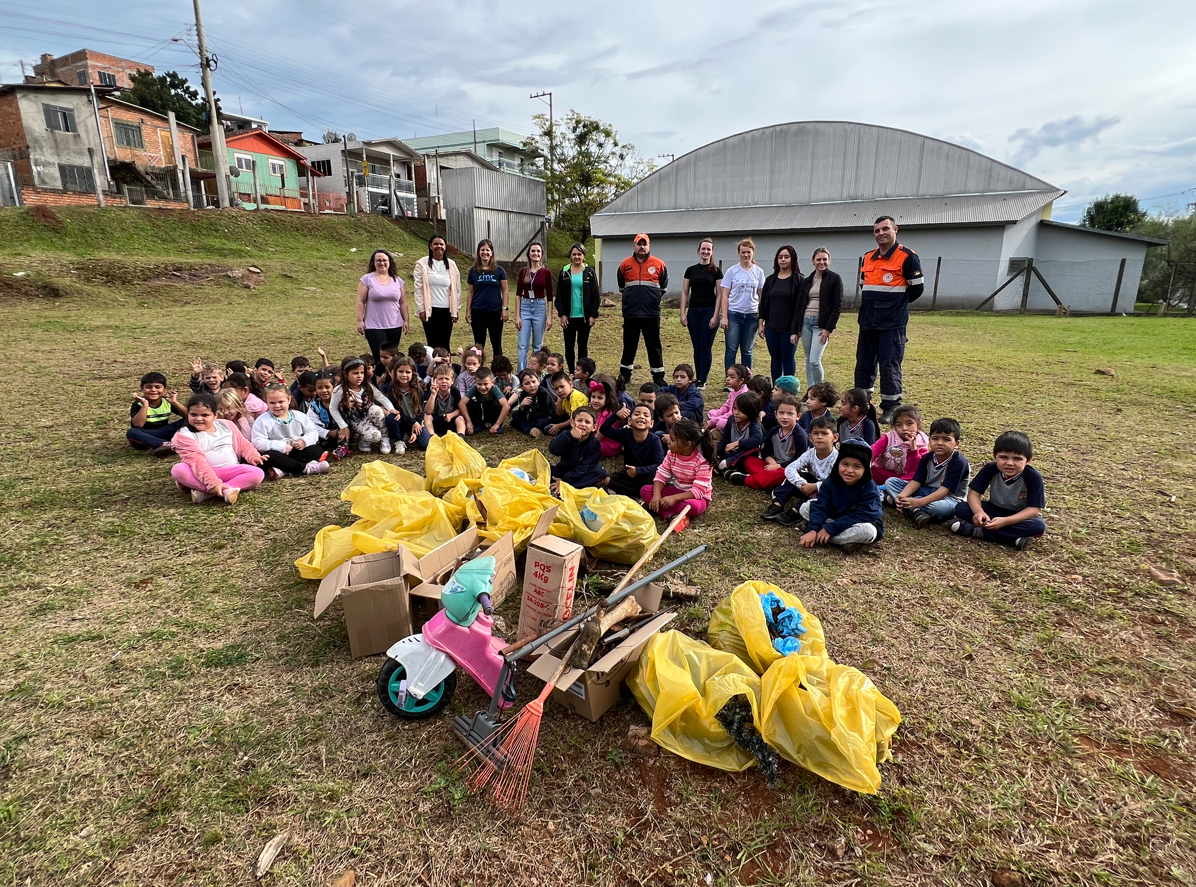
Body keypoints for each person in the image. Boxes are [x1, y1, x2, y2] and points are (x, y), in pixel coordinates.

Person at [855, 216, 924, 424]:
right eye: (877, 230)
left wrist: (895, 306)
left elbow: (916, 289)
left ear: (895, 229)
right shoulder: (868, 257)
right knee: (863, 364)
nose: (881, 233)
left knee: (889, 365)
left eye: (885, 229)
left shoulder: (908, 257)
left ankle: (891, 406)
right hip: (868, 321)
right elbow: (864, 286)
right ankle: (861, 402)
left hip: (892, 324)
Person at [950, 431, 1046, 550]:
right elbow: (973, 494)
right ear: (995, 456)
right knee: (961, 508)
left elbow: (1033, 510)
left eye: (1017, 459)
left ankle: (978, 531)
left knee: (1038, 526)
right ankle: (1013, 538)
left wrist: (1006, 521)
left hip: (1018, 515)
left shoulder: (1033, 477)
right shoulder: (990, 469)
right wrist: (979, 512)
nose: (1009, 463)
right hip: (993, 509)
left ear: (1029, 460)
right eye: (1003, 457)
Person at [170, 392, 265, 505]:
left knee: (257, 473)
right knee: (178, 469)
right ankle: (218, 490)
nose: (199, 419)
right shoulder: (183, 435)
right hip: (201, 473)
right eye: (193, 415)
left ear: (215, 415)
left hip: (230, 470)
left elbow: (242, 443)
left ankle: (211, 491)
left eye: (205, 415)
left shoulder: (227, 425)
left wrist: (252, 455)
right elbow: (196, 462)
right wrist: (213, 484)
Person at [797, 439, 883, 553]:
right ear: (838, 463)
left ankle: (823, 536)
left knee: (868, 532)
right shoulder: (831, 481)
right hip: (833, 516)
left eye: (857, 466)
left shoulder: (868, 487)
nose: (849, 470)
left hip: (854, 522)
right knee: (805, 507)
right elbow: (821, 505)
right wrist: (812, 529)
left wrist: (830, 529)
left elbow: (863, 515)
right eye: (845, 464)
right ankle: (823, 535)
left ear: (865, 469)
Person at [888, 418, 970, 528]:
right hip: (926, 491)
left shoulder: (959, 462)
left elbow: (944, 491)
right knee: (891, 482)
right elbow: (916, 482)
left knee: (939, 508)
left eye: (946, 439)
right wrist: (901, 496)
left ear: (956, 443)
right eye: (935, 438)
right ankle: (915, 509)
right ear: (929, 440)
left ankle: (911, 507)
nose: (940, 443)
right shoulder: (927, 458)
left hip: (949, 498)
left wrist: (918, 502)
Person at [765, 413, 839, 524]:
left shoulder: (838, 459)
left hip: (827, 489)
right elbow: (790, 468)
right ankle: (777, 504)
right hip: (808, 486)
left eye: (824, 433)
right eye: (815, 433)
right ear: (810, 437)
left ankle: (795, 511)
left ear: (835, 437)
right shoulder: (809, 453)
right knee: (792, 478)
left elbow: (836, 482)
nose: (819, 437)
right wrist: (803, 485)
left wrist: (815, 487)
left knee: (824, 495)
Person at [617, 233, 669, 386]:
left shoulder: (659, 264)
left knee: (654, 345)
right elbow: (622, 287)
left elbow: (663, 288)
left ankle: (658, 376)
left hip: (651, 313)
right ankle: (625, 375)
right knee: (629, 345)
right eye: (639, 244)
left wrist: (651, 299)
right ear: (634, 246)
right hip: (631, 313)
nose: (641, 247)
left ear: (649, 246)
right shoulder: (625, 264)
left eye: (644, 244)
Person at [252, 384, 331, 478]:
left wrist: (304, 441)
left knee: (315, 449)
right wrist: (281, 446)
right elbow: (257, 441)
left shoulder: (299, 416)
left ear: (289, 400)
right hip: (279, 453)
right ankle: (305, 468)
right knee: (269, 456)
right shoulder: (262, 420)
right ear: (266, 402)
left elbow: (312, 431)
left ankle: (284, 471)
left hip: (297, 450)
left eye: (281, 402)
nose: (277, 406)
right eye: (272, 403)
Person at [644, 418, 714, 520]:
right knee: (645, 490)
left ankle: (662, 509)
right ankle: (670, 515)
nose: (668, 441)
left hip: (695, 498)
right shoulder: (671, 454)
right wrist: (656, 495)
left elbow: (698, 491)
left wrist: (674, 498)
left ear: (687, 445)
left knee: (692, 506)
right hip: (677, 491)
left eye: (672, 440)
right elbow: (661, 475)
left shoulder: (702, 461)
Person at [792, 247, 843, 387]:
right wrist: (795, 329)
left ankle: (820, 391)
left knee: (815, 360)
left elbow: (837, 306)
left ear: (829, 261)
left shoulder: (834, 279)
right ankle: (811, 391)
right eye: (818, 259)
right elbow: (799, 306)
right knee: (808, 360)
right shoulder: (807, 281)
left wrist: (828, 328)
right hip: (806, 322)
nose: (822, 262)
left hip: (821, 325)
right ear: (813, 261)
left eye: (824, 259)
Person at [330, 356, 397, 454]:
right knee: (375, 436)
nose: (359, 376)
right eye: (355, 373)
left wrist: (391, 409)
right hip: (357, 420)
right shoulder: (339, 391)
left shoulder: (367, 386)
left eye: (362, 373)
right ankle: (364, 438)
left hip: (370, 414)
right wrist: (343, 426)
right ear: (345, 374)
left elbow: (382, 398)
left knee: (376, 409)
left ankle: (385, 437)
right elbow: (333, 408)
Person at [680, 238, 723, 388]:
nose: (705, 252)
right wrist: (682, 313)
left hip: (709, 312)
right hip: (693, 312)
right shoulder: (690, 270)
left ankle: (703, 379)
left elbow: (720, 294)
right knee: (697, 347)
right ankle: (697, 378)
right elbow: (685, 292)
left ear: (712, 252)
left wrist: (716, 315)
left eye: (708, 249)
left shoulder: (716, 271)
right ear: (699, 251)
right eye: (703, 249)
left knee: (705, 347)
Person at [743, 395, 808, 491]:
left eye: (790, 413)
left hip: (790, 468)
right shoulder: (774, 431)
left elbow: (800, 461)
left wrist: (778, 467)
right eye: (781, 413)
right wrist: (771, 462)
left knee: (785, 473)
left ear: (798, 416)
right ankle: (771, 482)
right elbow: (766, 451)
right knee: (749, 461)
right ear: (776, 414)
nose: (785, 417)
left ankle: (746, 480)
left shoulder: (800, 435)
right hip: (773, 465)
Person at [718, 239, 765, 371]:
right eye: (743, 252)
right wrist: (724, 316)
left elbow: (762, 296)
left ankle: (747, 378)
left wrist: (762, 318)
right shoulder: (732, 271)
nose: (745, 255)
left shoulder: (759, 272)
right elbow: (724, 295)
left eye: (748, 252)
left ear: (753, 252)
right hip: (734, 314)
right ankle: (730, 378)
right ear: (738, 253)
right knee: (731, 349)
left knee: (747, 350)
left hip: (752, 315)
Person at [356, 249, 408, 366]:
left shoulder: (397, 280)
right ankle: (379, 376)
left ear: (390, 262)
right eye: (378, 260)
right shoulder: (367, 279)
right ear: (373, 262)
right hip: (374, 325)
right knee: (380, 357)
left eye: (385, 260)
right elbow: (360, 301)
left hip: (395, 325)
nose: (382, 263)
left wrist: (406, 320)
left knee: (392, 358)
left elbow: (403, 302)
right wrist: (360, 321)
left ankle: (391, 377)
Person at [758, 245, 802, 381]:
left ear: (792, 259)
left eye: (786, 257)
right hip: (771, 328)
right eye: (780, 257)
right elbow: (763, 304)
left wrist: (797, 329)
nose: (783, 260)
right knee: (775, 359)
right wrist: (761, 324)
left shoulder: (798, 280)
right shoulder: (770, 280)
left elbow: (800, 307)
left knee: (787, 359)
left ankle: (789, 389)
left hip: (789, 329)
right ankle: (776, 388)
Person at [603, 403, 665, 499]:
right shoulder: (625, 433)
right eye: (636, 414)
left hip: (647, 474)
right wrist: (616, 415)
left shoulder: (655, 440)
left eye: (646, 415)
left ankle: (631, 491)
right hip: (630, 473)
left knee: (656, 480)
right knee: (608, 480)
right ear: (629, 421)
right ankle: (639, 492)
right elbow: (604, 430)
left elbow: (659, 464)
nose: (641, 416)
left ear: (651, 423)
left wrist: (638, 471)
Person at [413, 235, 461, 351]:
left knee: (445, 343)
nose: (439, 246)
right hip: (430, 310)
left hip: (447, 310)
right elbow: (418, 289)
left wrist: (456, 309)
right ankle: (433, 362)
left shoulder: (451, 264)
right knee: (432, 343)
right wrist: (421, 309)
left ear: (445, 247)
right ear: (430, 246)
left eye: (441, 244)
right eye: (436, 244)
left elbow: (457, 288)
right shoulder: (422, 264)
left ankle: (446, 363)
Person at [869, 403, 929, 487]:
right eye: (899, 425)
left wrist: (913, 448)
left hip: (905, 478)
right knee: (865, 469)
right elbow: (873, 451)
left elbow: (916, 468)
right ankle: (886, 487)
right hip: (884, 473)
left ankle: (884, 488)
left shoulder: (922, 442)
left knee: (921, 475)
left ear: (918, 424)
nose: (904, 428)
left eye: (909, 423)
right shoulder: (889, 437)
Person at [514, 242, 553, 371]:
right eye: (533, 251)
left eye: (538, 251)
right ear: (529, 254)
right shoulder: (523, 272)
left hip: (539, 307)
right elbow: (518, 294)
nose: (535, 253)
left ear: (541, 254)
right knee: (522, 345)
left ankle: (536, 373)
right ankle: (521, 373)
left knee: (537, 345)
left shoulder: (546, 272)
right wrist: (517, 316)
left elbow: (550, 297)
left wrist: (549, 317)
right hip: (525, 307)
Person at [466, 239, 508, 356]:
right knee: (479, 345)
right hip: (478, 311)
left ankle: (498, 366)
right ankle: (478, 366)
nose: (485, 252)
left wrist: (505, 308)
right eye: (482, 250)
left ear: (492, 252)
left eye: (487, 250)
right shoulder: (473, 271)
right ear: (478, 252)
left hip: (495, 312)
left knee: (496, 343)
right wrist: (468, 311)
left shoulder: (499, 270)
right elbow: (470, 292)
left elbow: (505, 290)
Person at [549, 406, 606, 491]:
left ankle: (567, 487)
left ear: (594, 427)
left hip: (579, 475)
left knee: (599, 471)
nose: (583, 424)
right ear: (572, 423)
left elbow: (586, 466)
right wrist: (570, 436)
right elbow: (553, 449)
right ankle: (560, 485)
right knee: (544, 467)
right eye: (579, 420)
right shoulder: (567, 435)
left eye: (587, 422)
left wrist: (564, 480)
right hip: (563, 470)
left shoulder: (595, 444)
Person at [128, 372, 186, 455]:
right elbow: (138, 424)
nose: (153, 390)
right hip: (145, 436)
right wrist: (145, 405)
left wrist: (175, 402)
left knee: (188, 421)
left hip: (163, 432)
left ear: (165, 389)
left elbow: (189, 416)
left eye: (157, 387)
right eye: (148, 387)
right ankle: (164, 445)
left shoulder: (167, 402)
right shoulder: (138, 404)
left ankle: (186, 441)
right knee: (132, 432)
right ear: (142, 388)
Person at [383, 357, 432, 453]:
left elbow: (421, 410)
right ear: (395, 372)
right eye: (400, 371)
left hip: (414, 421)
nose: (404, 375)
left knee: (425, 444)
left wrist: (416, 426)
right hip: (400, 420)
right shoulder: (392, 388)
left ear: (413, 373)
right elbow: (396, 410)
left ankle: (409, 434)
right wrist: (413, 422)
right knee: (391, 417)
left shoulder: (418, 389)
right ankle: (399, 441)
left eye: (408, 372)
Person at [714, 392, 764, 484]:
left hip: (746, 456)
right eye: (735, 408)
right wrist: (715, 450)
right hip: (732, 453)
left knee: (751, 450)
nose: (736, 412)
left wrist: (738, 443)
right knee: (716, 449)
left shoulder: (753, 425)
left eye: (741, 411)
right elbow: (725, 440)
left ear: (751, 412)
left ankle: (728, 466)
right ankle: (728, 469)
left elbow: (758, 439)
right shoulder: (731, 421)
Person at [460, 367, 510, 435]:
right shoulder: (474, 388)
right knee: (469, 403)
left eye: (485, 384)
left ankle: (496, 426)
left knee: (497, 404)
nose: (482, 387)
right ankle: (479, 424)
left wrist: (497, 424)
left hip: (492, 412)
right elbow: (461, 403)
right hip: (481, 411)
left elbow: (506, 406)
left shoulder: (494, 389)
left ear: (492, 382)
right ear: (476, 382)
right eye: (479, 384)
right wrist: (469, 422)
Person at [508, 368, 555, 437]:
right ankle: (531, 429)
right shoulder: (523, 394)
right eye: (527, 383)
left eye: (533, 382)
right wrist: (522, 407)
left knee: (541, 422)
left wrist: (528, 417)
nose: (532, 385)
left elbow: (544, 413)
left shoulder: (543, 393)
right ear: (522, 386)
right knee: (515, 415)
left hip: (546, 417)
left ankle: (527, 427)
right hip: (532, 416)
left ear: (538, 381)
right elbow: (522, 414)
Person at [424, 364, 467, 436]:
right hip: (437, 421)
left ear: (452, 381)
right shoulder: (432, 392)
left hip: (451, 419)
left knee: (460, 418)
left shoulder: (454, 391)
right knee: (427, 416)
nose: (444, 381)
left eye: (447, 379)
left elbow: (459, 410)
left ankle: (461, 435)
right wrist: (433, 394)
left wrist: (451, 415)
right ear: (435, 380)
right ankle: (432, 435)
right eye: (440, 379)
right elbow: (428, 411)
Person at [705, 364, 749, 433]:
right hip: (730, 415)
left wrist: (713, 421)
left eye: (732, 377)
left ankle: (718, 431)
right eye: (727, 376)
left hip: (737, 419)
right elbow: (726, 406)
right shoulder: (734, 391)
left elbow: (732, 414)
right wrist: (717, 414)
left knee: (721, 423)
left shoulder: (743, 394)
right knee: (711, 413)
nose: (728, 379)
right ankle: (715, 429)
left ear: (741, 380)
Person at [589, 376, 622, 458]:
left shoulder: (608, 414)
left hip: (609, 446)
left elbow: (598, 437)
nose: (595, 401)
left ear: (607, 399)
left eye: (600, 398)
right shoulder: (594, 410)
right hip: (596, 440)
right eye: (593, 397)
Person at [548, 371, 589, 436]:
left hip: (580, 420)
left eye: (562, 386)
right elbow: (559, 413)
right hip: (571, 418)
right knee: (553, 420)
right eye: (556, 389)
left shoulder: (575, 397)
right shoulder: (565, 396)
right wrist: (560, 399)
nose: (559, 390)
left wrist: (559, 426)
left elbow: (575, 419)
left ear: (571, 384)